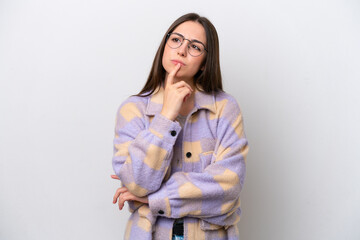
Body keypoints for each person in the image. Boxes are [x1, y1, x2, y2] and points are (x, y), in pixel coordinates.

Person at [111, 13, 249, 240]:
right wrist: (166, 116)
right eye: (176, 40)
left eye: (195, 46)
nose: (182, 50)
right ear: (165, 46)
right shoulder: (132, 110)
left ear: (205, 63)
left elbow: (228, 187)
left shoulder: (224, 108)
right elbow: (137, 183)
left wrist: (155, 199)